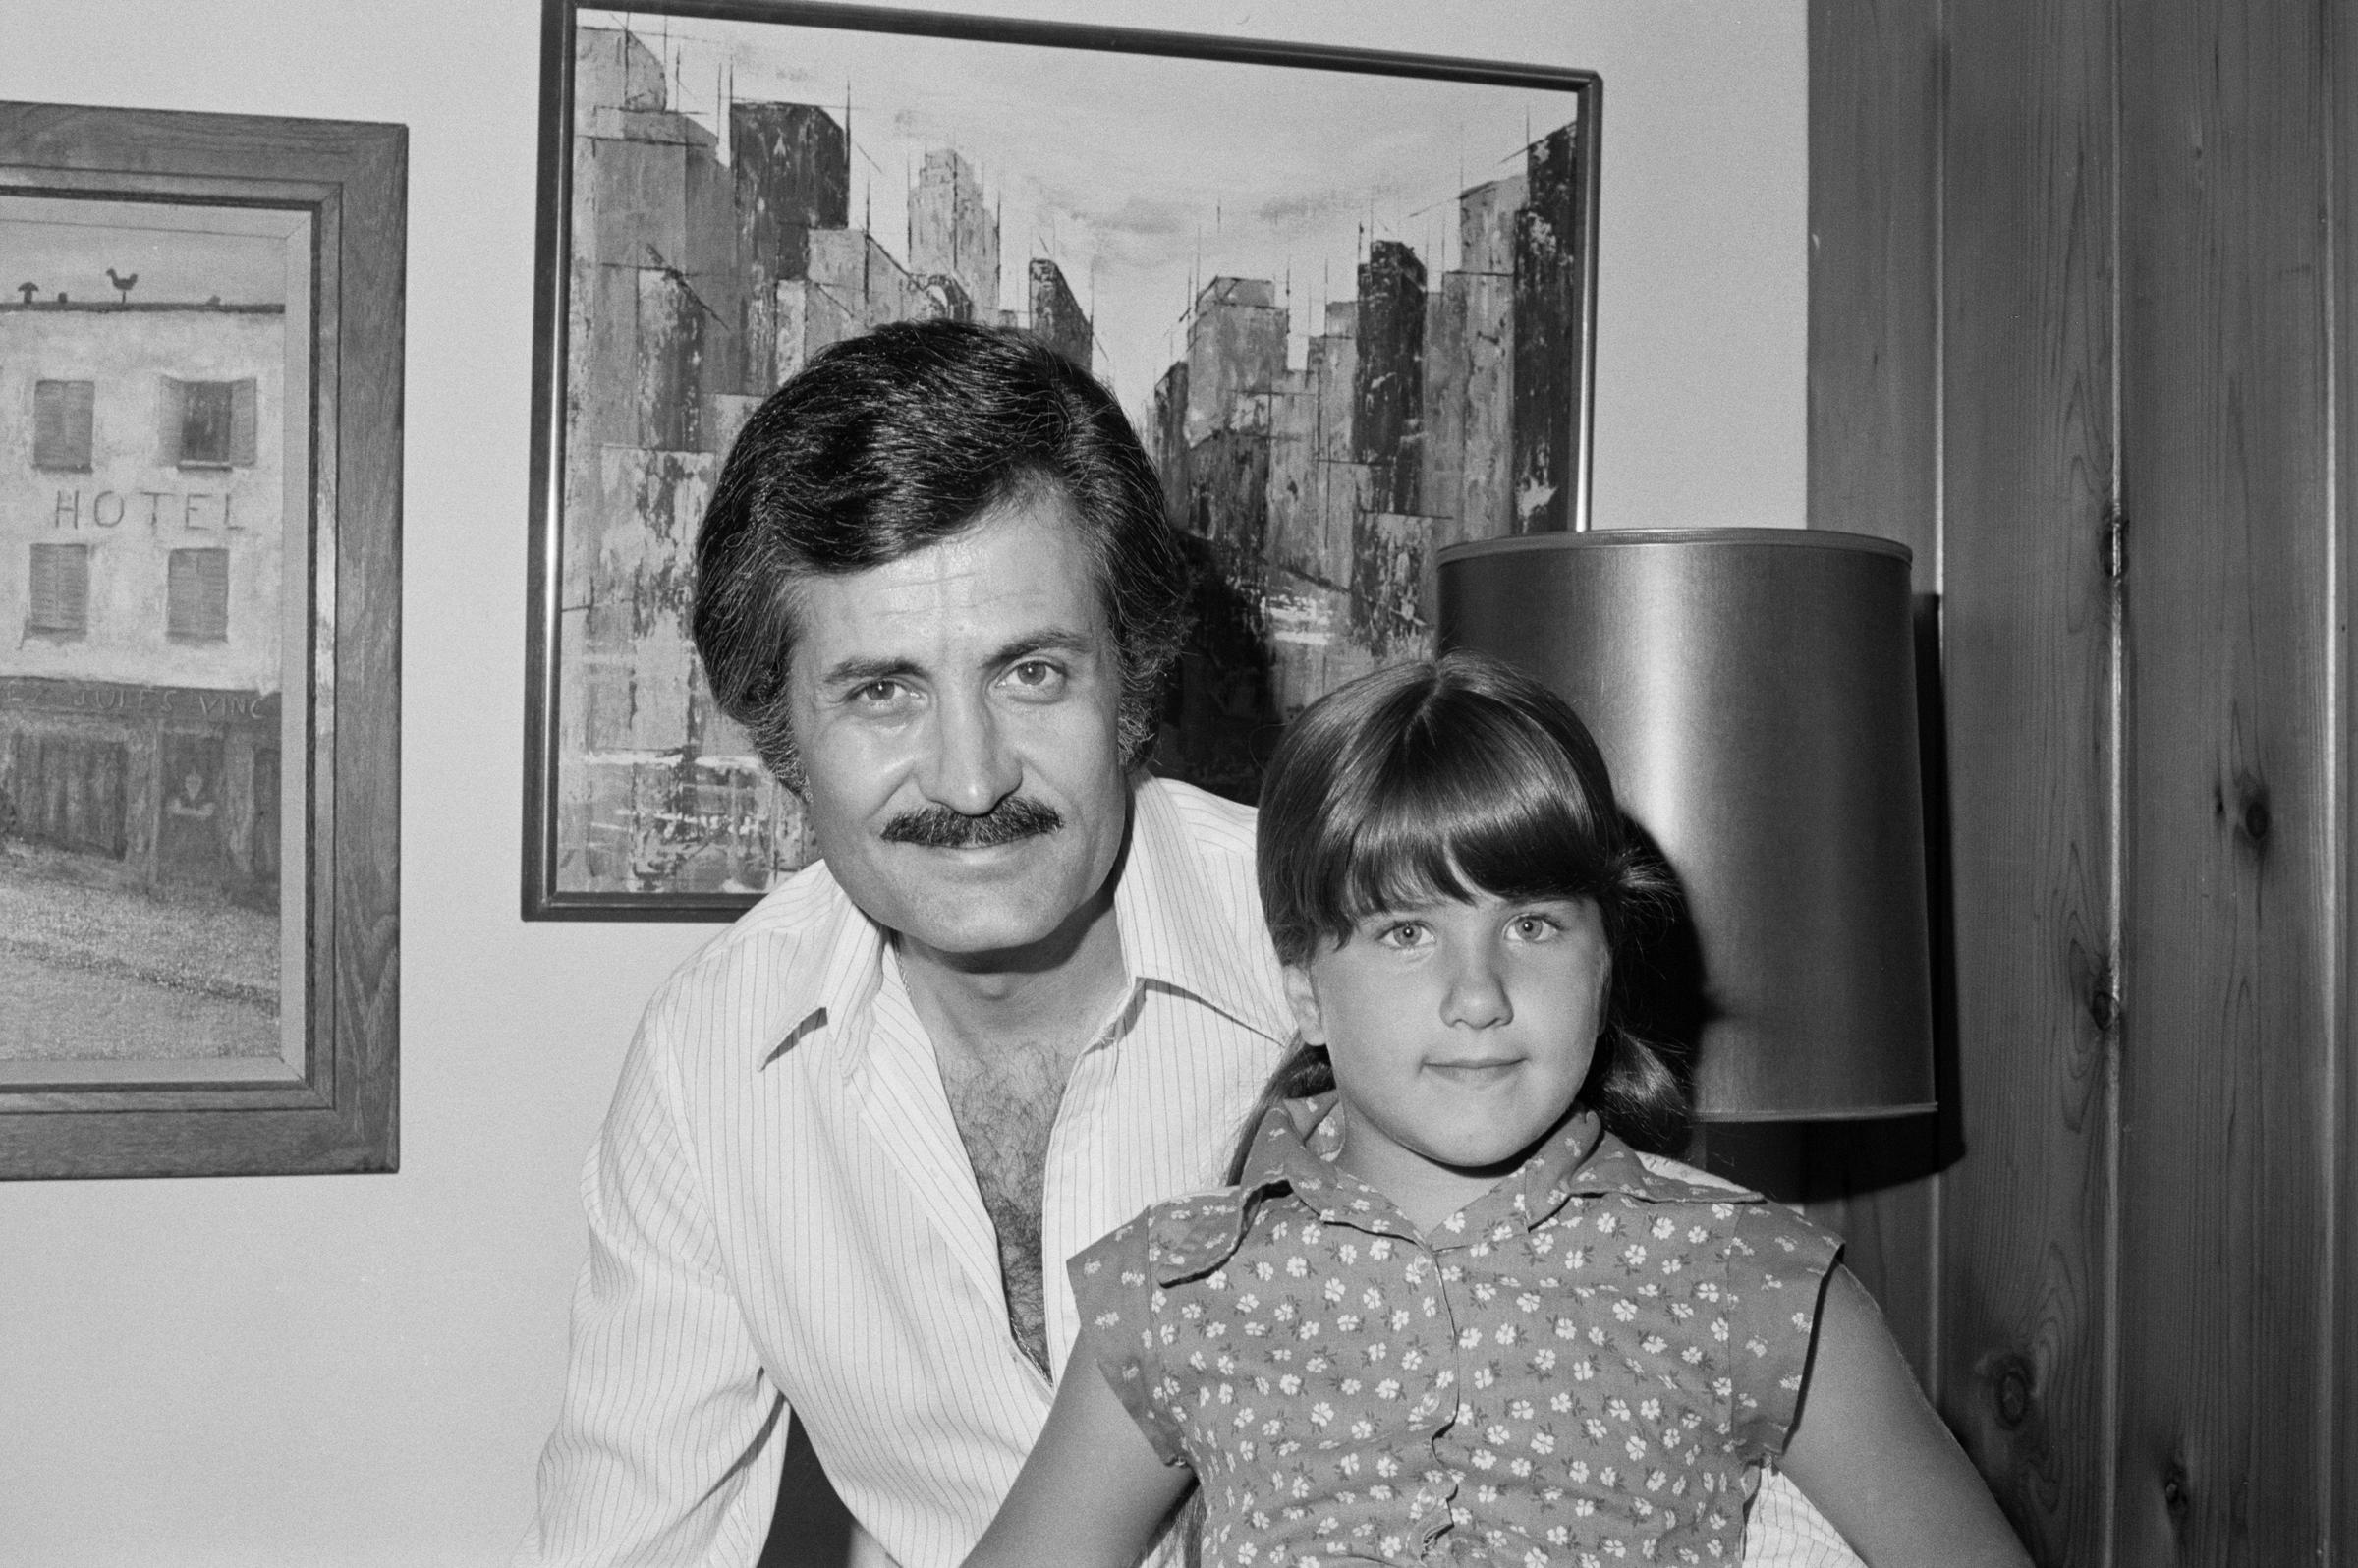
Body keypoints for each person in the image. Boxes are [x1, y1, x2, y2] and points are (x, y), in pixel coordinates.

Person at [521, 319, 1869, 1568]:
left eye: (1031, 672)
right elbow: (628, 1535)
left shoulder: (1379, 949)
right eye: (883, 692)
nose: (973, 773)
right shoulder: (713, 1057)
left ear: (1134, 678)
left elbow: (1704, 1372)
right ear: (779, 737)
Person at [963, 654, 2030, 1568]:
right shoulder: (1173, 1288)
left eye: (1531, 928)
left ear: (1607, 961)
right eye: (1404, 933)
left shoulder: (1757, 1281)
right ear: (1302, 988)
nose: (1478, 997)